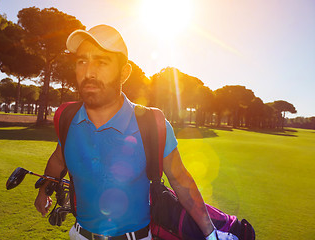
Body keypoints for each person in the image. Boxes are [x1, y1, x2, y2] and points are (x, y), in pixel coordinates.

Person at [34, 24, 237, 240]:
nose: (89, 72)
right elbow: (58, 159)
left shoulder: (151, 123)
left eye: (102, 62)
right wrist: (43, 189)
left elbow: (180, 180)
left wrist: (210, 233)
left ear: (124, 72)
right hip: (78, 235)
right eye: (82, 61)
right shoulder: (66, 117)